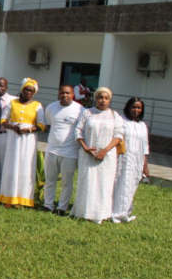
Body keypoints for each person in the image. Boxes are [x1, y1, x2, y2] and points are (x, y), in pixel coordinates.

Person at [72, 87, 124, 224]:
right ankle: (84, 211)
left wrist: (104, 151)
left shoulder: (114, 115)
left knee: (103, 184)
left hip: (107, 157)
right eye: (100, 97)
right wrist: (86, 148)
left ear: (110, 100)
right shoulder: (87, 113)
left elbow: (118, 136)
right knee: (87, 182)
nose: (103, 100)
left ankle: (101, 214)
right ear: (95, 98)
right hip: (88, 154)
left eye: (106, 98)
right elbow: (78, 131)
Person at [0, 78, 45, 208]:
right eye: (26, 89)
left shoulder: (37, 106)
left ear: (34, 93)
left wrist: (28, 129)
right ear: (21, 89)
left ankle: (23, 199)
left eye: (31, 90)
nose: (28, 92)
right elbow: (3, 120)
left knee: (25, 167)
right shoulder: (12, 103)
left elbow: (41, 125)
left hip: (28, 140)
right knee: (12, 165)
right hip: (14, 139)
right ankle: (9, 197)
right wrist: (13, 127)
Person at [44, 85, 84, 215]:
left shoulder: (80, 110)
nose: (64, 95)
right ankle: (48, 205)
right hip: (52, 150)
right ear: (58, 93)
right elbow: (50, 125)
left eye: (67, 93)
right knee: (50, 180)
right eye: (62, 93)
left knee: (67, 182)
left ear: (72, 94)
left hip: (70, 152)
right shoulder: (51, 107)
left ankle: (62, 207)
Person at [111, 98, 150, 223]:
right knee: (119, 185)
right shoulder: (120, 121)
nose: (136, 110)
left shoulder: (142, 125)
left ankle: (125, 212)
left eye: (139, 108)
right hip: (122, 159)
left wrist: (145, 165)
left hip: (137, 161)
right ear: (128, 107)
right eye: (134, 107)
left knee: (131, 185)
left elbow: (145, 147)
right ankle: (114, 213)